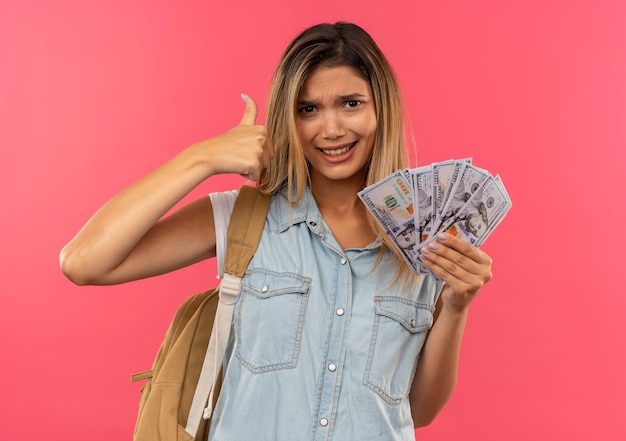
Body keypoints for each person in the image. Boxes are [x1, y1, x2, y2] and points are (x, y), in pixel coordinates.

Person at [60, 22, 493, 440]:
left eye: (351, 103)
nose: (332, 129)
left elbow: (419, 410)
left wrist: (456, 305)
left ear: (382, 108)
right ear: (289, 118)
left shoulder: (425, 236)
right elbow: (84, 262)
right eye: (309, 109)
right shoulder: (245, 218)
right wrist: (201, 159)